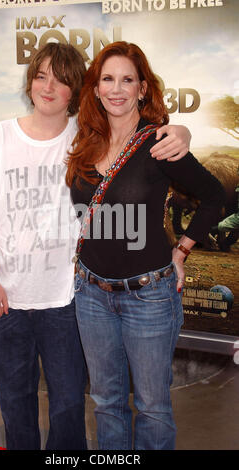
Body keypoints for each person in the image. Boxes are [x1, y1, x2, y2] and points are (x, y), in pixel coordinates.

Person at [0, 41, 192, 450]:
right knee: (15, 401)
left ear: (77, 92)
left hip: (69, 298)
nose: (48, 87)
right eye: (41, 75)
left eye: (62, 80)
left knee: (69, 405)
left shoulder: (87, 137)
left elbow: (142, 137)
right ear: (30, 81)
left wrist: (181, 130)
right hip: (8, 299)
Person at [66, 41, 225, 450]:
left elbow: (217, 197)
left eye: (127, 80)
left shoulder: (159, 143)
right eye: (107, 79)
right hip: (90, 294)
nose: (116, 88)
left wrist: (182, 249)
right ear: (96, 89)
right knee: (105, 402)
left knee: (153, 407)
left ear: (142, 89)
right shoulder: (87, 140)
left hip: (148, 297)